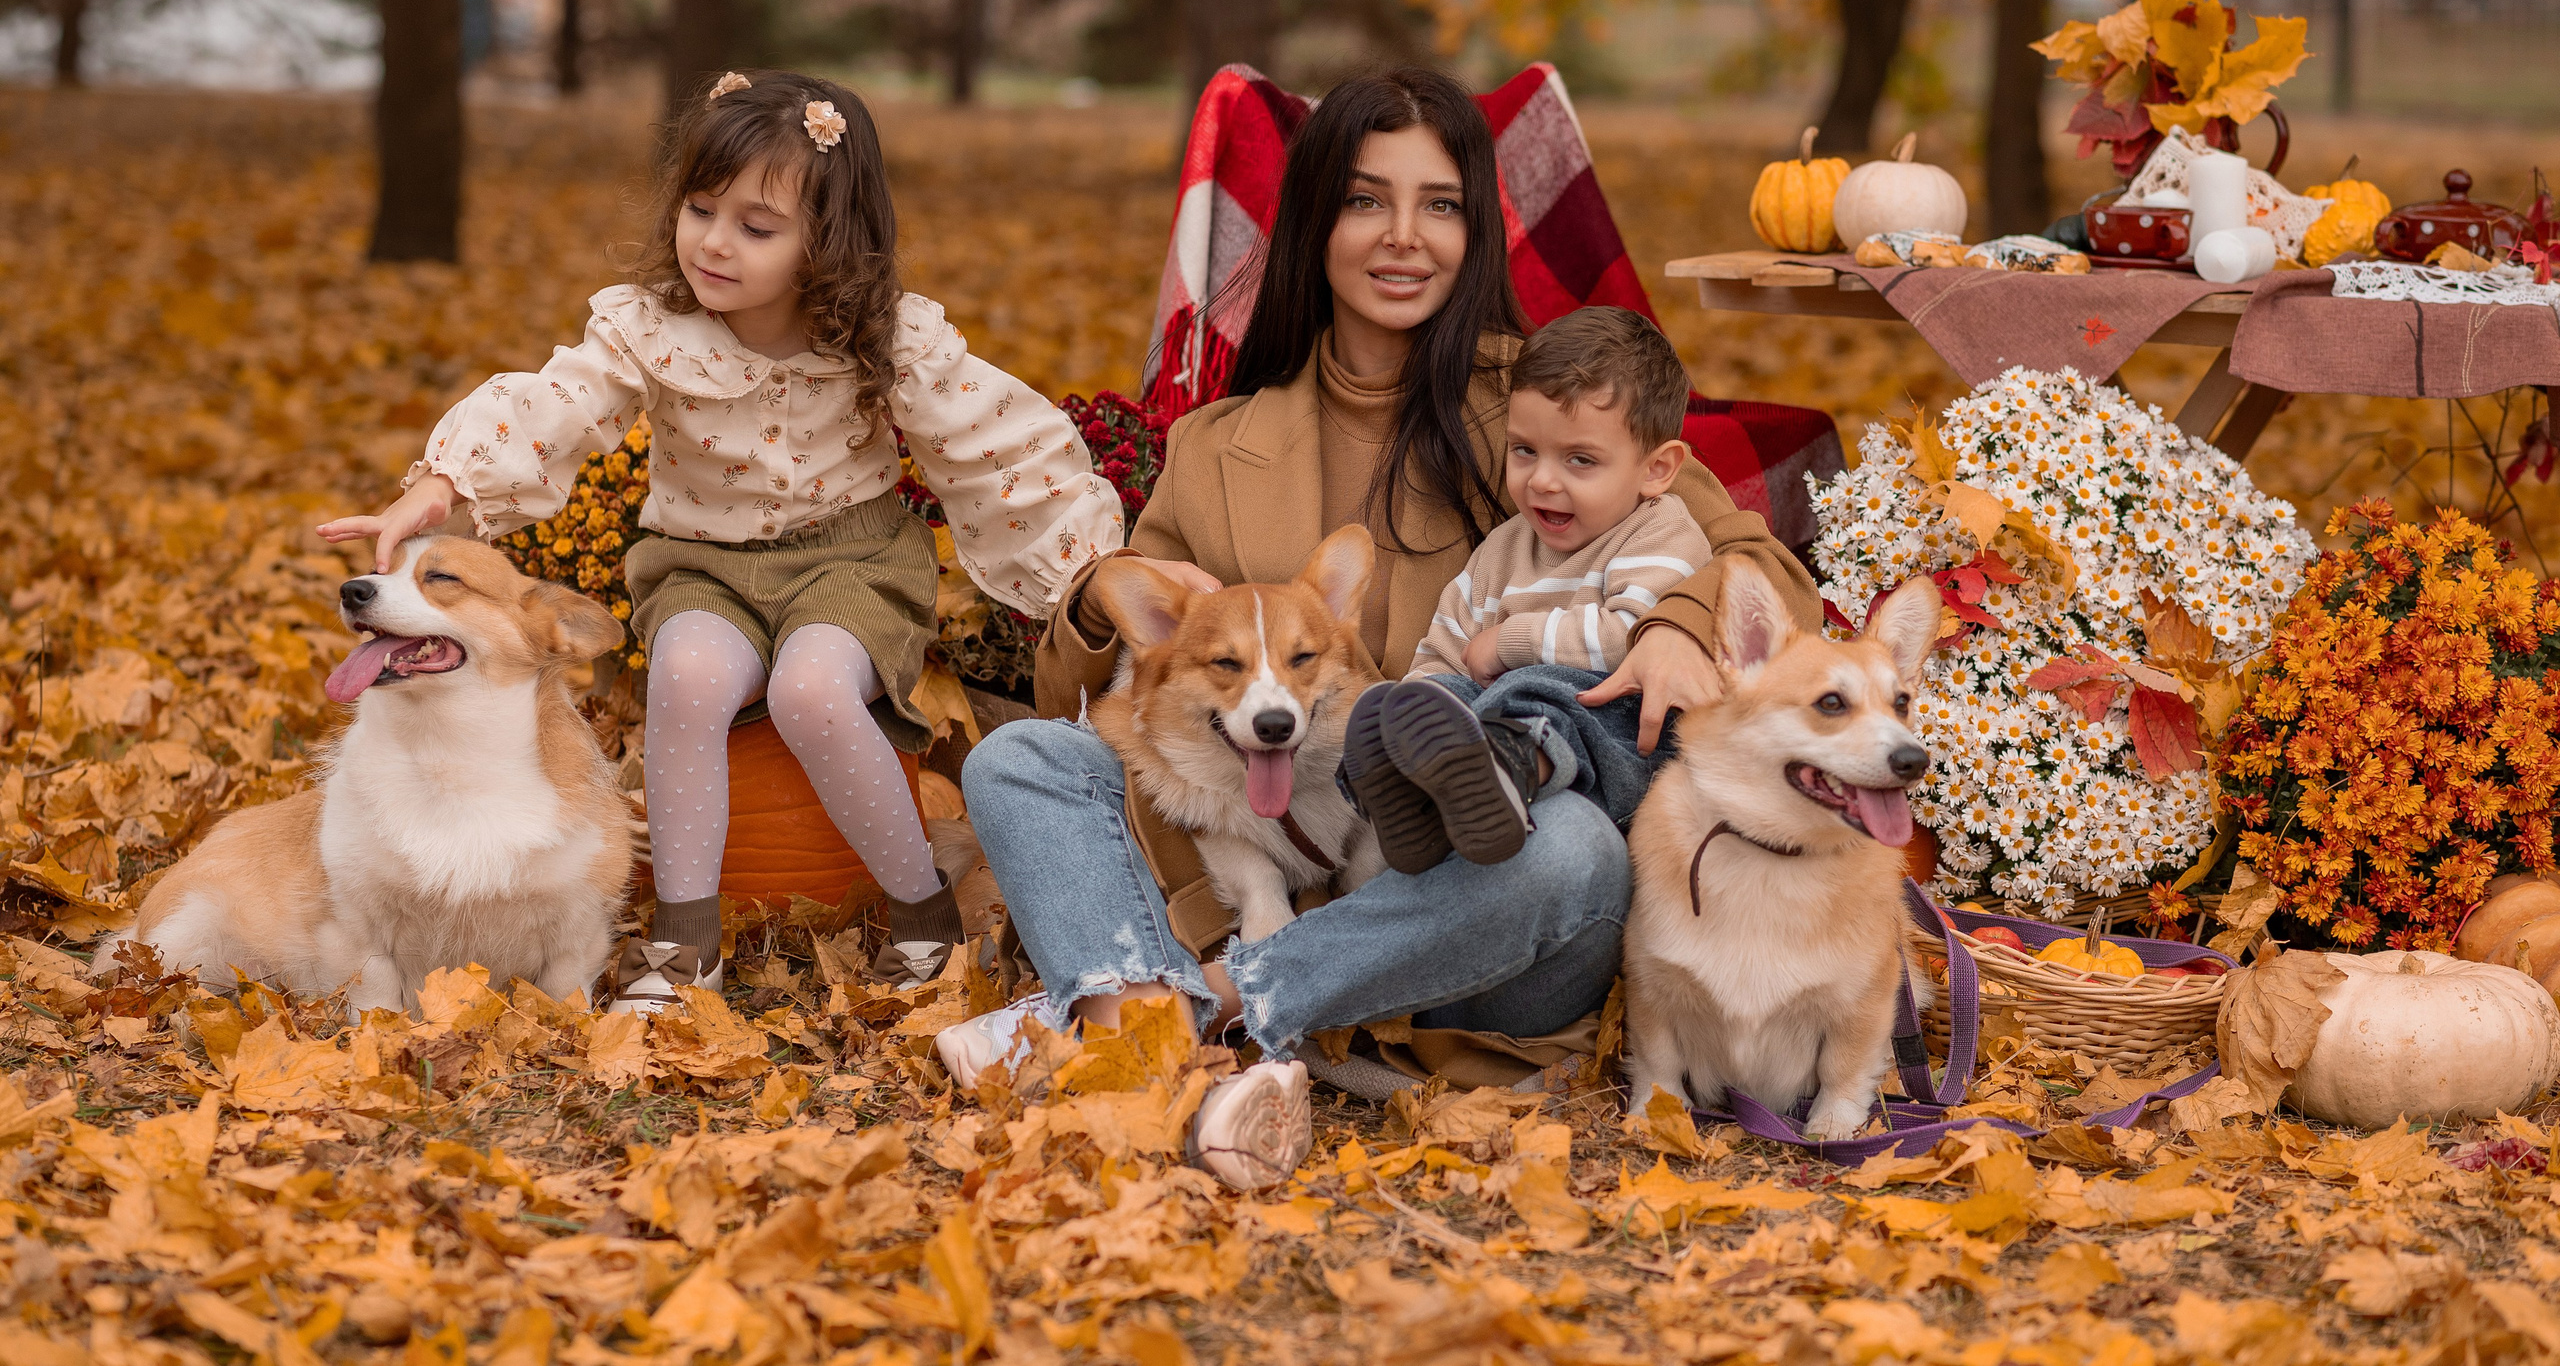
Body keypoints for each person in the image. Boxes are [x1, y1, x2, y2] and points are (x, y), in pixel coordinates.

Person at [945, 66, 1822, 1145]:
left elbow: (1754, 559)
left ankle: (1195, 1008)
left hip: (1473, 921)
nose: (1403, 236)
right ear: (1313, 220)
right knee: (1020, 759)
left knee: (1578, 844)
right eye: (1366, 199)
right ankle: (1174, 1021)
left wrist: (1676, 624)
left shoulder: (1544, 403)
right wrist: (1096, 595)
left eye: (1440, 204)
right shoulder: (1217, 441)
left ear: (1474, 230)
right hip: (1255, 863)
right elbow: (1096, 690)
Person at [318, 69, 1125, 1006]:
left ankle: (921, 912)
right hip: (703, 564)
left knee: (814, 691)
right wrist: (443, 482)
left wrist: (1096, 561)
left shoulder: (882, 336)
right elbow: (557, 402)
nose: (715, 241)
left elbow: (989, 437)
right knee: (689, 677)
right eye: (701, 208)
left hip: (850, 562)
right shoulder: (651, 330)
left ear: (828, 241)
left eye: (757, 225)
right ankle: (684, 941)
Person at [1346, 306, 1717, 873]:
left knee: (1550, 687)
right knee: (1433, 697)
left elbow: (1630, 642)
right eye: (1525, 450)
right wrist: (1417, 704)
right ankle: (1416, 796)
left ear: (1656, 469)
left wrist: (1509, 643)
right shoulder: (1503, 550)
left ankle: (1505, 765)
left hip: (1623, 760)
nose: (1542, 480)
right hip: (1498, 761)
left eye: (1580, 460)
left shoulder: (1661, 531)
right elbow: (1445, 649)